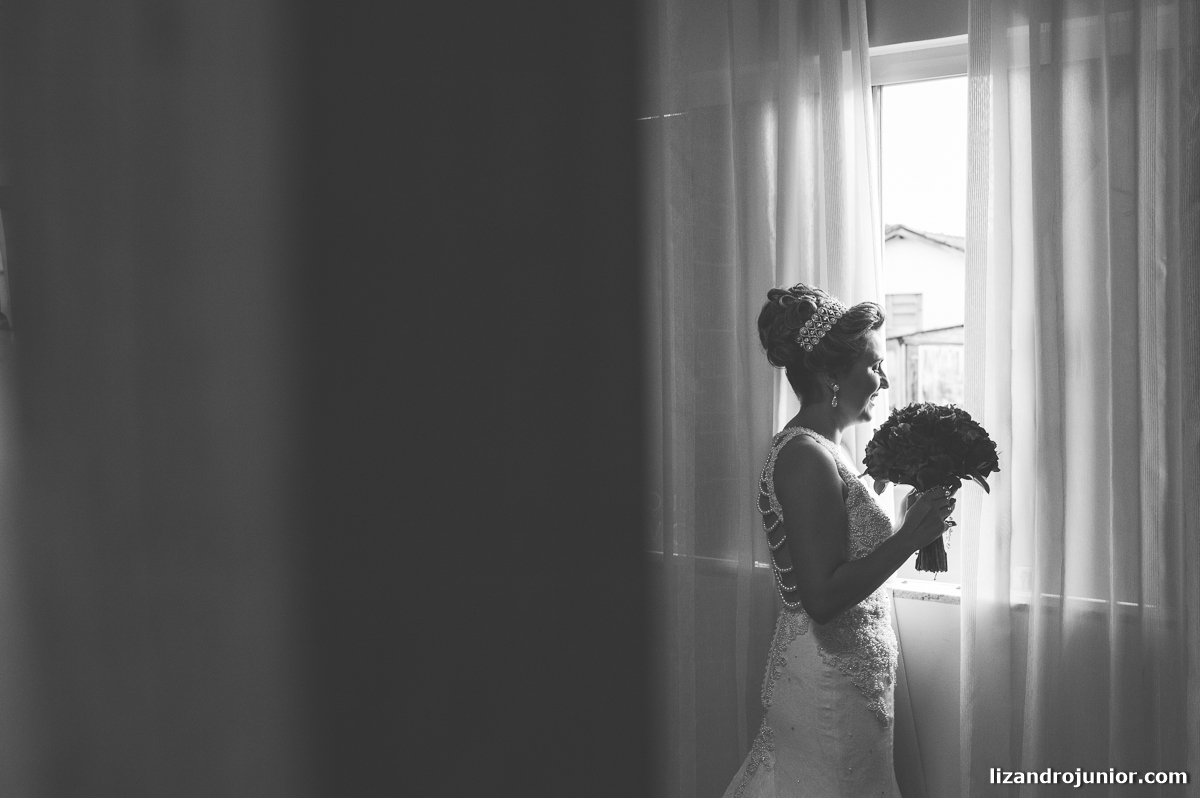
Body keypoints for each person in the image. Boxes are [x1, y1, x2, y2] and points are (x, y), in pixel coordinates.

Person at [722, 283, 955, 798]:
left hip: (855, 681)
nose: (884, 379)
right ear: (831, 375)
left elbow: (844, 557)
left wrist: (907, 523)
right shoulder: (806, 456)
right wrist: (909, 538)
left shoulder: (831, 450)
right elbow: (822, 598)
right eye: (873, 365)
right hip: (826, 686)